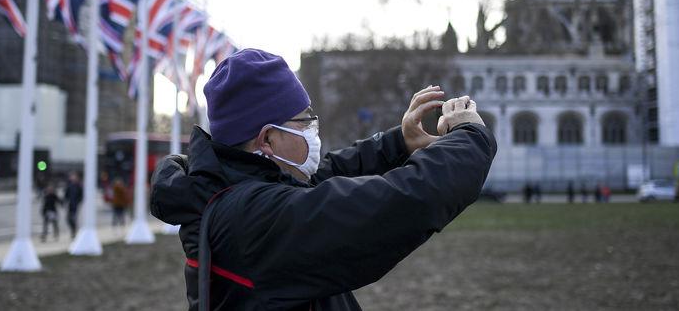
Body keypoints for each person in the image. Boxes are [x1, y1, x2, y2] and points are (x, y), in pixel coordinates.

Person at [150, 48, 496, 310]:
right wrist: (470, 136)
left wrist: (398, 142)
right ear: (268, 140)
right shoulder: (252, 218)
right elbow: (399, 203)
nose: (314, 130)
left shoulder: (233, 189)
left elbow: (328, 174)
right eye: (304, 122)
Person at [63, 172, 83, 239]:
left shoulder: (79, 186)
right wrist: (64, 202)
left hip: (75, 205)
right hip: (70, 204)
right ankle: (73, 230)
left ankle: (74, 231)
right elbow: (66, 195)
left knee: (73, 218)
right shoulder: (69, 185)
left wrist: (78, 202)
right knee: (68, 219)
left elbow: (81, 196)